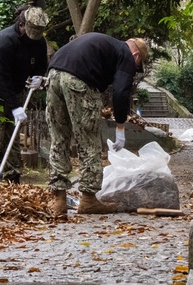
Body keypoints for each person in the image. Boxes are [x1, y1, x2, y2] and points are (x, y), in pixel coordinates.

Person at [45, 32, 149, 216]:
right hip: (78, 81)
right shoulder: (126, 55)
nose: (135, 69)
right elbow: (120, 92)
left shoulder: (104, 43)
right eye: (138, 66)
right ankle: (88, 200)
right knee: (88, 140)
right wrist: (120, 126)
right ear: (137, 56)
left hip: (53, 76)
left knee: (59, 138)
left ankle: (58, 200)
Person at [0, 6, 50, 196]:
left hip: (15, 88)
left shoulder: (39, 42)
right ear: (21, 24)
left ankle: (12, 178)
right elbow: (0, 77)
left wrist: (38, 77)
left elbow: (41, 65)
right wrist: (15, 107)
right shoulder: (4, 41)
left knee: (13, 136)